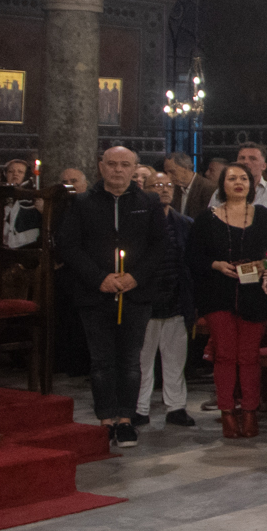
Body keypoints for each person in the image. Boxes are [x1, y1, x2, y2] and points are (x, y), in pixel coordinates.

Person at [54, 145, 168, 447]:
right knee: (102, 361)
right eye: (112, 164)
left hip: (135, 293)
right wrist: (99, 278)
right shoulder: (81, 202)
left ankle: (126, 419)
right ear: (101, 167)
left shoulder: (149, 201)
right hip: (96, 293)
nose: (118, 170)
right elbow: (69, 245)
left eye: (125, 164)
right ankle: (106, 419)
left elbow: (160, 245)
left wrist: (135, 277)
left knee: (130, 360)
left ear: (134, 169)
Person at [187, 164, 267, 438]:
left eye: (243, 178)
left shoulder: (263, 216)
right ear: (222, 185)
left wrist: (264, 265)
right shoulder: (206, 219)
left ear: (251, 185)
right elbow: (193, 257)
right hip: (218, 295)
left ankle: (250, 412)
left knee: (249, 356)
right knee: (226, 355)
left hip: (254, 296)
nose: (238, 182)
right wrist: (216, 265)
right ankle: (227, 412)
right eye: (232, 178)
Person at [135, 174, 196, 430]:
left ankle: (176, 407)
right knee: (142, 360)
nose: (164, 190)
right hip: (145, 300)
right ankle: (139, 408)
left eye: (168, 186)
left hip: (176, 299)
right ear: (145, 190)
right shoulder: (137, 222)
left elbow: (189, 263)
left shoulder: (184, 223)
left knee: (175, 359)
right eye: (157, 186)